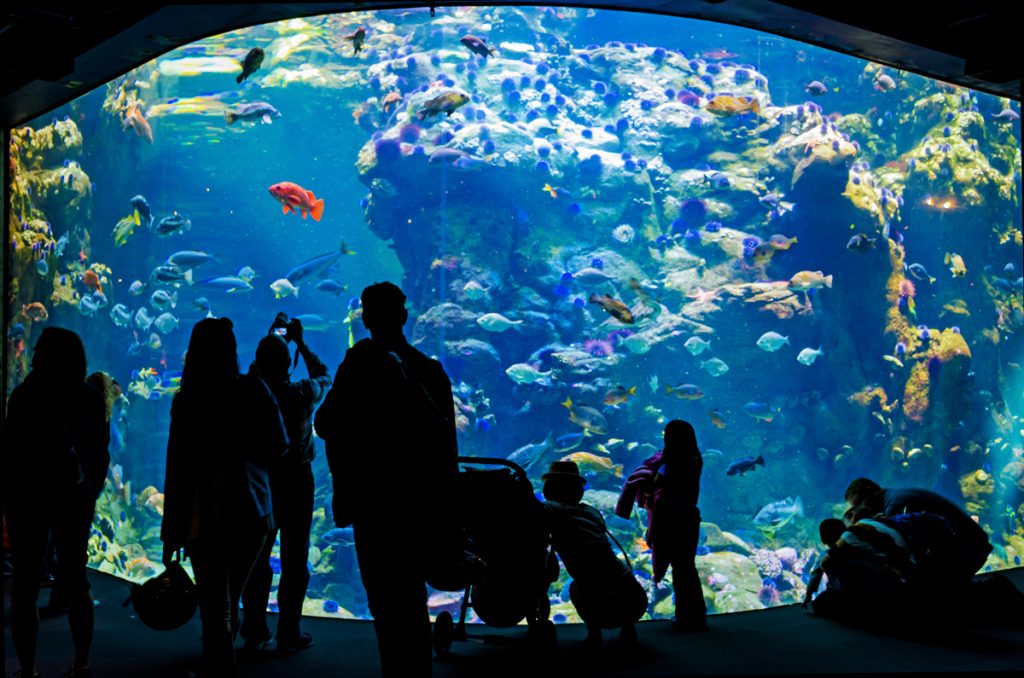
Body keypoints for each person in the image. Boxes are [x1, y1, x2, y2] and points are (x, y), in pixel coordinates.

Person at [315, 282, 460, 677]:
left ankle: (397, 674)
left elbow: (324, 423)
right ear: (404, 316)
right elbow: (447, 448)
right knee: (412, 595)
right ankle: (418, 673)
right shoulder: (432, 372)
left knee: (385, 598)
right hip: (420, 504)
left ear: (365, 318)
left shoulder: (359, 365)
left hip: (373, 504)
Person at [160, 317, 288, 677]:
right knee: (226, 602)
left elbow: (177, 469)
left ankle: (217, 667)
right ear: (232, 351)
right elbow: (280, 445)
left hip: (207, 517)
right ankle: (219, 662)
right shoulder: (253, 389)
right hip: (253, 512)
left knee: (216, 607)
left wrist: (172, 531)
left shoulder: (187, 402)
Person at [2, 327, 110, 678]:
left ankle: (28, 669)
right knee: (77, 579)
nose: (32, 357)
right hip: (75, 497)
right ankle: (82, 662)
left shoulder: (23, 397)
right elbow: (100, 454)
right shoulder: (92, 398)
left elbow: (11, 455)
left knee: (25, 584)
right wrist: (90, 492)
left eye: (38, 351)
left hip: (28, 499)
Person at [241, 314, 332, 655]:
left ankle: (253, 628)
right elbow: (325, 376)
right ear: (286, 365)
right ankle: (288, 631)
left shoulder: (250, 392)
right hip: (297, 480)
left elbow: (256, 372)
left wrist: (273, 338)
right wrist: (301, 343)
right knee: (296, 558)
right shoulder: (302, 393)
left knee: (257, 554)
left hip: (260, 479)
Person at [541, 460, 647, 647]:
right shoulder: (592, 512)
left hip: (601, 606)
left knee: (574, 587)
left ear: (550, 489)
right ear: (578, 491)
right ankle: (628, 628)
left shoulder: (550, 510)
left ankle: (594, 633)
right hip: (635, 598)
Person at [616, 419, 706, 632]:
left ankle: (686, 618)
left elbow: (661, 493)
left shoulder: (669, 463)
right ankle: (695, 617)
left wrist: (648, 490)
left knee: (681, 571)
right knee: (686, 569)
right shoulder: (694, 459)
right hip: (689, 521)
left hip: (672, 523)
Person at [844, 477, 992, 582]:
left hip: (970, 549)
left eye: (857, 503)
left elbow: (896, 544)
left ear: (871, 491)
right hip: (972, 544)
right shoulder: (895, 498)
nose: (857, 510)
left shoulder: (896, 504)